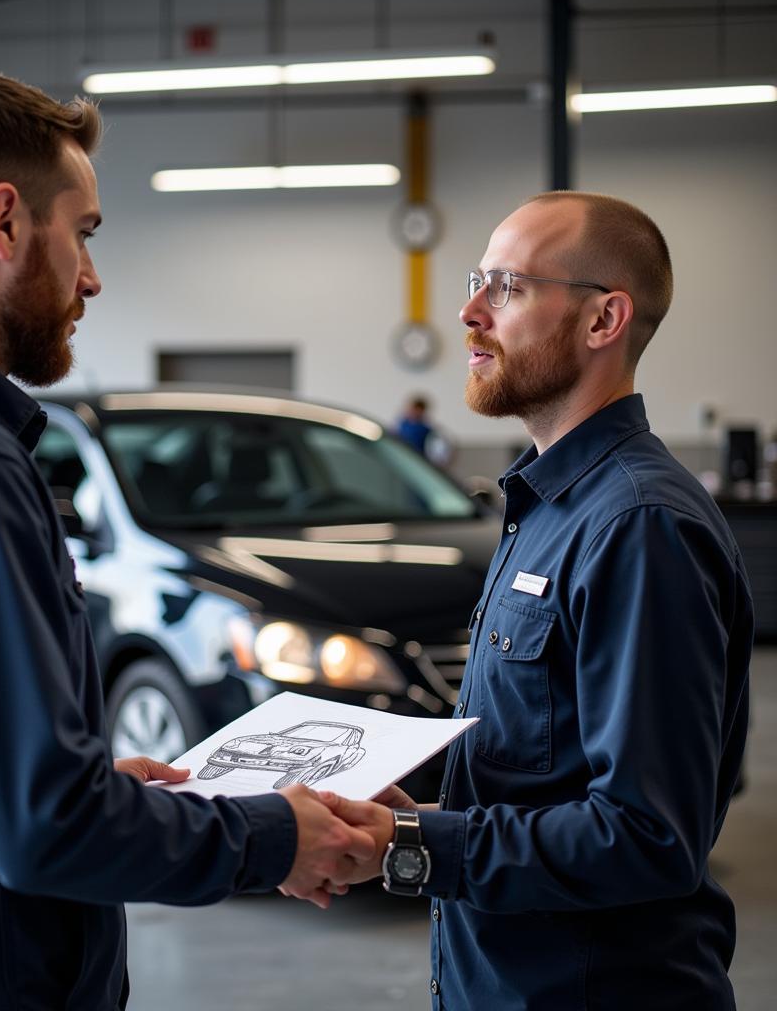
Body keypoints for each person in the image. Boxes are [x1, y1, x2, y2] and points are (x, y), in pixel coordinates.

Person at [0, 71, 375, 1011]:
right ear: (4, 223)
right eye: (82, 233)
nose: (91, 276)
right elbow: (45, 831)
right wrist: (274, 835)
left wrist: (100, 785)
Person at [320, 191, 752, 1009]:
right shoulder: (545, 508)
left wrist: (413, 841)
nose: (470, 311)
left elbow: (647, 835)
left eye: (508, 287)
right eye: (479, 280)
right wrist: (404, 813)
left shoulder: (639, 526)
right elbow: (542, 768)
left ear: (603, 321)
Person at [395, 394, 454, 468]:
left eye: (419, 411)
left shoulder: (426, 428)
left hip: (419, 461)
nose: (415, 413)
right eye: (413, 410)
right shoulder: (401, 425)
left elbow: (439, 448)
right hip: (402, 458)